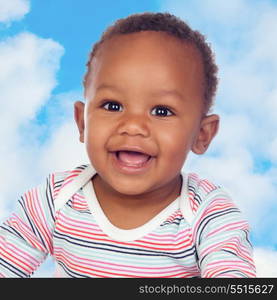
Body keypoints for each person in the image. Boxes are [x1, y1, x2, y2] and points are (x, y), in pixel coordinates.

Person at [0, 12, 256, 278]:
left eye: (162, 111)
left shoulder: (208, 214)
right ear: (82, 122)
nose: (133, 125)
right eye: (113, 106)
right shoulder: (54, 200)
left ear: (202, 134)